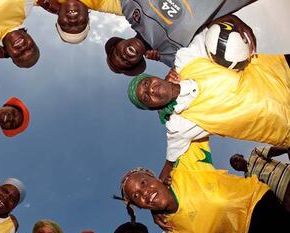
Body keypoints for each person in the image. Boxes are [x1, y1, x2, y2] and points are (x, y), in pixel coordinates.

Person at [119, 139, 290, 233]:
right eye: (136, 197)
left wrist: (169, 164)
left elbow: (187, 124)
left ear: (155, 177)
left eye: (143, 182)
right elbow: (200, 223)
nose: (144, 193)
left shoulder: (185, 165)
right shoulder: (169, 225)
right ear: (139, 207)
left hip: (256, 203)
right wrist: (157, 211)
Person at [126, 53, 290, 181]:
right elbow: (171, 160)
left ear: (153, 77)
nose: (150, 91)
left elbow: (206, 29)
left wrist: (233, 22)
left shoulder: (185, 61)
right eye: (146, 98)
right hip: (285, 125)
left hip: (280, 71)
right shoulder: (179, 124)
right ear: (152, 107)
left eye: (146, 84)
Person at [105, 2, 257, 74]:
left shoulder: (129, 8)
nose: (124, 56)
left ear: (118, 43)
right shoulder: (175, 56)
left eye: (118, 54)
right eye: (126, 62)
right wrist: (230, 19)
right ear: (138, 62)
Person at [230, 146, 290, 211]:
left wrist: (286, 149)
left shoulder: (254, 154)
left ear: (241, 156)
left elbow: (271, 151)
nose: (235, 163)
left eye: (235, 159)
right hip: (284, 197)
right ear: (236, 170)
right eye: (234, 165)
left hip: (287, 175)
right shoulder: (247, 182)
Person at [36, 0, 122, 44]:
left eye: (66, 25)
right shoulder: (102, 2)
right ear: (87, 19)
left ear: (58, 20)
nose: (73, 21)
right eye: (80, 24)